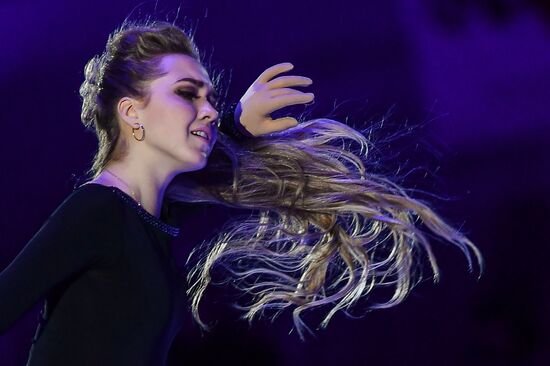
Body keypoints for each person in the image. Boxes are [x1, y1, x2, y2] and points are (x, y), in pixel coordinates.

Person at [0, 20, 482, 365]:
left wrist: (234, 124)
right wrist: (230, 127)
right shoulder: (97, 211)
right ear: (132, 113)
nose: (208, 109)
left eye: (210, 98)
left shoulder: (146, 218)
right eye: (188, 93)